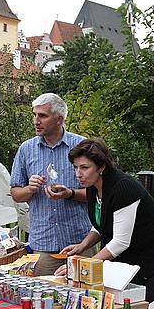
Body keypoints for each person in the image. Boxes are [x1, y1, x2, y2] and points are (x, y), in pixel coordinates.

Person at [58, 138, 154, 304]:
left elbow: (120, 242)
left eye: (85, 167)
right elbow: (102, 224)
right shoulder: (93, 187)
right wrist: (82, 246)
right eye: (76, 167)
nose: (78, 173)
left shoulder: (123, 188)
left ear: (102, 167)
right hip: (126, 257)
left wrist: (81, 267)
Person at [10, 93, 92, 276]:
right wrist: (29, 189)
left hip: (80, 242)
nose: (36, 121)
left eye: (42, 115)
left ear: (59, 119)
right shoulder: (26, 149)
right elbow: (15, 193)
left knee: (86, 298)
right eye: (34, 114)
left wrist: (70, 193)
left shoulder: (81, 146)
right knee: (43, 299)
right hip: (44, 243)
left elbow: (97, 193)